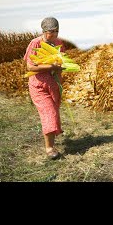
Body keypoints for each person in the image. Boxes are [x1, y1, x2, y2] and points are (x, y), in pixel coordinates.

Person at [24, 17, 66, 160]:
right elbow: (30, 67)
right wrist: (51, 67)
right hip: (38, 86)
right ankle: (49, 148)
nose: (54, 35)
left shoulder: (58, 43)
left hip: (54, 84)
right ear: (43, 31)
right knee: (49, 112)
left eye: (56, 31)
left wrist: (60, 72)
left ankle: (52, 142)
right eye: (51, 32)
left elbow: (62, 60)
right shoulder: (35, 43)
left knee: (54, 111)